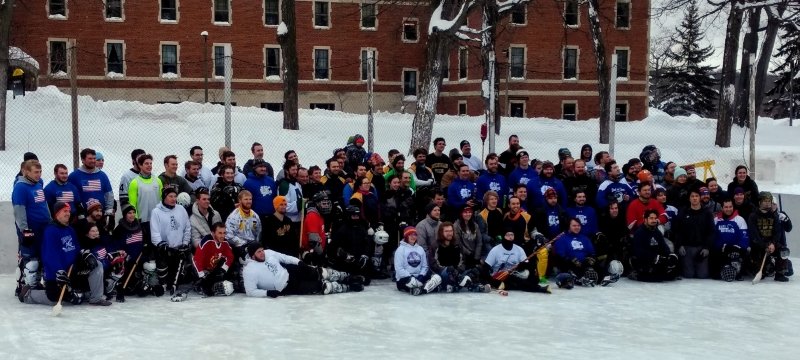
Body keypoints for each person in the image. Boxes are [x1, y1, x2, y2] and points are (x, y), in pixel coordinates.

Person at [19, 202, 111, 306]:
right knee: (55, 299)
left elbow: (76, 248)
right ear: (57, 214)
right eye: (65, 211)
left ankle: (96, 298)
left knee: (96, 264)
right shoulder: (50, 231)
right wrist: (59, 271)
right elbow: (49, 256)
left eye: (69, 211)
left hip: (72, 270)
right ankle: (28, 294)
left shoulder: (70, 229)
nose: (68, 213)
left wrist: (84, 254)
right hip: (57, 274)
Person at [243, 243, 364, 297]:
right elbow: (250, 291)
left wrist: (299, 262)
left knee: (319, 272)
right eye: (258, 252)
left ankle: (348, 277)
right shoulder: (249, 270)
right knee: (322, 287)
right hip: (286, 288)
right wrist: (267, 293)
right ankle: (349, 287)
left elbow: (285, 258)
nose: (262, 253)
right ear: (252, 256)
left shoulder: (268, 253)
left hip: (290, 272)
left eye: (262, 249)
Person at [13, 160, 52, 295]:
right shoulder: (20, 188)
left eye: (40, 172)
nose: (39, 175)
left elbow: (44, 204)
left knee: (43, 257)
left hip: (44, 228)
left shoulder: (38, 184)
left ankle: (38, 285)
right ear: (26, 172)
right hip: (31, 230)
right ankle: (25, 288)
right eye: (36, 172)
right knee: (30, 260)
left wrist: (50, 221)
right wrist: (25, 230)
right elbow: (19, 210)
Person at [150, 188, 192, 299]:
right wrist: (162, 245)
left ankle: (174, 283)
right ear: (164, 197)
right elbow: (155, 232)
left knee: (178, 275)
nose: (174, 199)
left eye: (175, 196)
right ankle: (163, 284)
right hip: (165, 248)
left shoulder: (181, 209)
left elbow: (187, 228)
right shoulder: (156, 212)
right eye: (170, 196)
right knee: (162, 267)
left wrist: (185, 243)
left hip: (178, 248)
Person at [482, 228, 550, 293]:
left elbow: (527, 265)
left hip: (515, 276)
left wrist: (522, 265)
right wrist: (491, 281)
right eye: (508, 235)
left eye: (512, 235)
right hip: (499, 277)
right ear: (503, 236)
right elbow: (486, 268)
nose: (510, 237)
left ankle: (530, 286)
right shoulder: (495, 250)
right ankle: (539, 288)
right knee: (515, 281)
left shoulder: (519, 249)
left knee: (530, 275)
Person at [553, 219, 610, 287]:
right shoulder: (562, 238)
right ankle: (573, 278)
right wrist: (570, 259)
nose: (577, 227)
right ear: (569, 226)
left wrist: (591, 258)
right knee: (567, 265)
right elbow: (560, 254)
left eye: (578, 225)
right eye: (574, 225)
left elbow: (591, 252)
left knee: (596, 264)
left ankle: (604, 277)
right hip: (570, 262)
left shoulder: (584, 238)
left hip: (583, 262)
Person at [748, 192, 791, 282]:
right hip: (758, 245)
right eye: (765, 201)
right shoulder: (753, 216)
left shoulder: (774, 216)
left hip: (771, 244)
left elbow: (777, 232)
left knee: (784, 251)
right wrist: (764, 245)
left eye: (769, 201)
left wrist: (773, 244)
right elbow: (754, 235)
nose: (767, 203)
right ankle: (764, 267)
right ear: (760, 202)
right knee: (761, 273)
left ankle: (780, 273)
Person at [673, 188, 715, 279]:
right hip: (687, 248)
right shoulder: (683, 213)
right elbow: (678, 230)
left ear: (700, 198)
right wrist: (679, 245)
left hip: (701, 248)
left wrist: (707, 247)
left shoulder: (707, 214)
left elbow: (711, 232)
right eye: (692, 196)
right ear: (689, 198)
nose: (694, 198)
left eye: (697, 196)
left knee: (702, 275)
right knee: (689, 275)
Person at [629, 210, 680, 282]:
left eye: (655, 218)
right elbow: (639, 252)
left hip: (655, 260)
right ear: (645, 219)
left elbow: (663, 245)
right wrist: (655, 257)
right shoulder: (639, 232)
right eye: (651, 218)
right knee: (658, 277)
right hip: (643, 261)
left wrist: (669, 255)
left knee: (673, 271)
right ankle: (636, 274)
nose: (654, 220)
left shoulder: (656, 231)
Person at [327, 206, 372, 283]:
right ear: (349, 216)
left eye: (357, 216)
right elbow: (333, 247)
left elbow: (367, 244)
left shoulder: (362, 229)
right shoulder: (342, 230)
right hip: (345, 261)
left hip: (359, 261)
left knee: (366, 280)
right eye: (354, 216)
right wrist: (344, 255)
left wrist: (365, 255)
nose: (356, 218)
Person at [68, 148, 114, 223]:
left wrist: (108, 212)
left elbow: (109, 194)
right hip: (82, 218)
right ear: (82, 160)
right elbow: (71, 196)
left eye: (94, 158)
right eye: (90, 158)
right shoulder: (74, 176)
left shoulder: (102, 175)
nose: (93, 161)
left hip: (100, 216)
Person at [394, 226, 443, 295]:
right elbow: (399, 269)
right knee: (411, 282)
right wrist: (411, 277)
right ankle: (427, 287)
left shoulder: (420, 249)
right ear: (406, 236)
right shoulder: (400, 250)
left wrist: (421, 276)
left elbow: (424, 266)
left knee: (437, 277)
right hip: (405, 279)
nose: (413, 237)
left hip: (419, 277)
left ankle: (421, 290)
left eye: (415, 235)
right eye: (410, 235)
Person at [112, 204, 145, 299]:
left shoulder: (139, 226)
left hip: (139, 257)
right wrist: (125, 255)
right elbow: (117, 245)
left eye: (134, 212)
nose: (132, 215)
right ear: (124, 214)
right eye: (129, 213)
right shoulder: (120, 229)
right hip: (127, 259)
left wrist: (145, 247)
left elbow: (143, 241)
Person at [128, 154, 163, 246]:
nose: (149, 166)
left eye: (151, 163)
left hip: (157, 219)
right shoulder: (134, 182)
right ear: (140, 165)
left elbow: (162, 200)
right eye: (146, 163)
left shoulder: (158, 181)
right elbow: (132, 204)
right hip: (143, 221)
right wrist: (135, 219)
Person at [192, 223, 235, 297]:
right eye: (220, 233)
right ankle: (198, 284)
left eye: (224, 233)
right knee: (205, 285)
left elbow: (230, 257)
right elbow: (196, 259)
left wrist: (223, 269)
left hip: (212, 269)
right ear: (213, 233)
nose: (222, 236)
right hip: (201, 269)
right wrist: (202, 275)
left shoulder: (225, 242)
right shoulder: (206, 241)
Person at [713, 199, 749, 281]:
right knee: (715, 273)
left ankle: (739, 271)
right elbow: (713, 237)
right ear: (722, 208)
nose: (728, 209)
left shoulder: (739, 219)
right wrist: (722, 246)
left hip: (735, 249)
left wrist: (737, 247)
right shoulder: (716, 220)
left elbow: (744, 237)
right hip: (721, 250)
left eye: (730, 207)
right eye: (726, 207)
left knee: (740, 254)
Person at [300, 192, 332, 266]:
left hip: (318, 251)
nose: (326, 206)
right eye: (324, 204)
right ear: (317, 204)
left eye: (327, 203)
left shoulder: (319, 214)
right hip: (312, 254)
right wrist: (321, 255)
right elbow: (313, 241)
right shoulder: (312, 216)